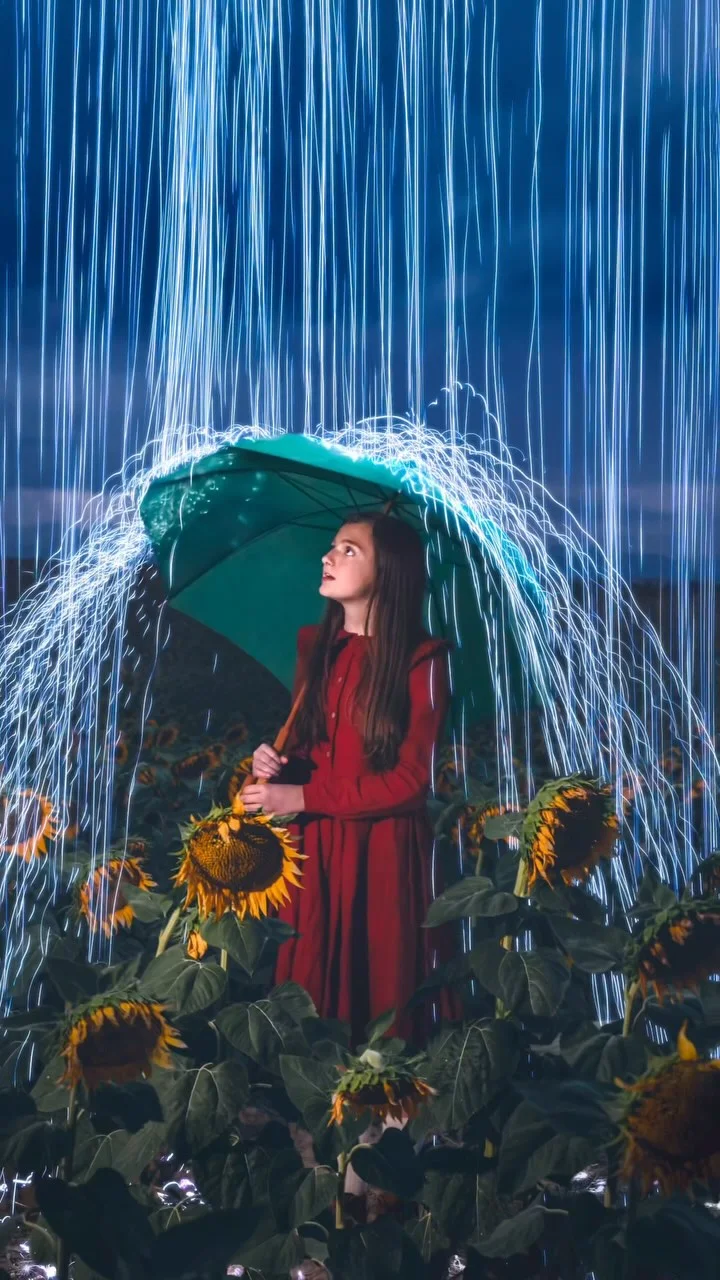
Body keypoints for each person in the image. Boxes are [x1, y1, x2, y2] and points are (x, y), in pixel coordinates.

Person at [241, 511, 457, 1045]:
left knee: (380, 994)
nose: (328, 556)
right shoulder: (316, 646)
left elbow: (410, 781)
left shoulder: (424, 661)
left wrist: (302, 794)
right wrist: (272, 764)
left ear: (389, 572)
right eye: (333, 546)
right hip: (314, 846)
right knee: (310, 990)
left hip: (381, 850)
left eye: (349, 550)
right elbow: (309, 744)